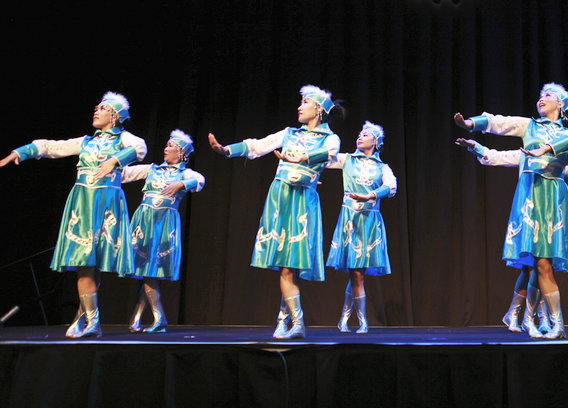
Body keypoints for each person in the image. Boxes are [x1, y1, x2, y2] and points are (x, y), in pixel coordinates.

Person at [0, 92, 147, 338]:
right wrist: (21, 152)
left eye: (102, 108)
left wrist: (115, 161)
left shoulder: (123, 138)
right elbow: (51, 146)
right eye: (96, 107)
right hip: (83, 203)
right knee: (84, 262)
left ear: (114, 115)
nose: (96, 110)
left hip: (106, 203)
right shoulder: (86, 142)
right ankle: (88, 318)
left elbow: (139, 148)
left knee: (90, 265)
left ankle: (90, 321)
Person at [208, 85, 342, 339]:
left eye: (304, 102)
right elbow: (259, 146)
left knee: (291, 266)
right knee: (286, 265)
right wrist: (227, 150)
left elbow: (331, 153)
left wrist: (302, 158)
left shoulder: (329, 138)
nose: (299, 107)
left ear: (318, 109)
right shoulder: (289, 133)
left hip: (303, 200)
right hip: (281, 198)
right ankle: (290, 322)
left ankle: (289, 321)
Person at [453, 82, 568, 339]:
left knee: (540, 263)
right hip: (532, 201)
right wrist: (472, 126)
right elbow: (501, 125)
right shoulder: (529, 126)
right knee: (536, 263)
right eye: (540, 95)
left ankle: (535, 319)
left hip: (553, 203)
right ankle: (541, 321)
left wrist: (546, 150)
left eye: (548, 96)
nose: (541, 99)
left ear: (561, 104)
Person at [124, 130, 205, 333]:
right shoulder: (152, 169)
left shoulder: (184, 173)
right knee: (146, 270)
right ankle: (137, 319)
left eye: (171, 146)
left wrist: (181, 184)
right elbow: (125, 174)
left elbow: (200, 180)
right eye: (166, 144)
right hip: (143, 221)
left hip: (163, 223)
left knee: (151, 271)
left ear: (182, 153)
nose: (165, 148)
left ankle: (159, 318)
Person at [324, 121, 397, 334]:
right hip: (350, 220)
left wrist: (370, 195)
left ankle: (347, 320)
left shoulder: (383, 167)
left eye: (365, 135)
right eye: (359, 134)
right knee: (356, 273)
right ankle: (359, 320)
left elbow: (391, 187)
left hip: (370, 221)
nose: (360, 137)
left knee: (357, 273)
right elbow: (323, 161)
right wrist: (306, 175)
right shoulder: (347, 160)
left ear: (376, 141)